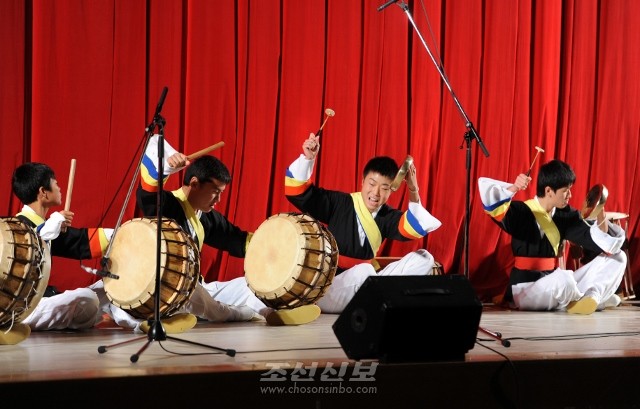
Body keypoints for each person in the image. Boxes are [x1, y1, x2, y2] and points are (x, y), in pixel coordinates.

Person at [108, 134, 321, 328]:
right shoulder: (167, 205)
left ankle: (272, 313)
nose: (218, 200)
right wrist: (166, 166)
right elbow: (148, 193)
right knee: (128, 301)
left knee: (248, 286)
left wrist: (283, 246)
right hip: (157, 287)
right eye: (215, 192)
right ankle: (147, 324)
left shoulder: (207, 217)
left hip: (193, 289)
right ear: (194, 183)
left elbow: (238, 240)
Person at [284, 133, 443, 313]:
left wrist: (413, 189)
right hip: (331, 288)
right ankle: (380, 299)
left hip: (367, 286)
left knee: (424, 258)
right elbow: (298, 193)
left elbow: (415, 227)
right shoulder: (339, 203)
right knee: (364, 272)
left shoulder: (387, 216)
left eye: (384, 188)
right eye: (372, 184)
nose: (376, 193)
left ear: (391, 191)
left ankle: (375, 298)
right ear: (362, 182)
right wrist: (308, 158)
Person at [477, 159, 627, 314]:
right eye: (565, 190)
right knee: (564, 280)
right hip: (526, 288)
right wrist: (514, 187)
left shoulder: (566, 215)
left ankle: (593, 297)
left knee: (619, 257)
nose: (570, 195)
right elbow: (493, 205)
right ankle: (594, 298)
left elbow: (599, 241)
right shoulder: (521, 211)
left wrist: (599, 209)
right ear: (549, 191)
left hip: (553, 281)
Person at [1, 162, 112, 345]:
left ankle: (132, 321)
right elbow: (32, 243)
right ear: (43, 192)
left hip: (43, 302)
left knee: (110, 288)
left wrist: (123, 234)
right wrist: (51, 225)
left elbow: (80, 241)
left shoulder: (49, 226)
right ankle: (87, 316)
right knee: (87, 299)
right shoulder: (16, 227)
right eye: (56, 183)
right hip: (23, 308)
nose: (60, 188)